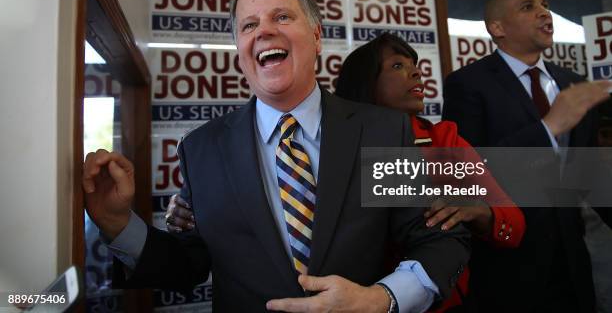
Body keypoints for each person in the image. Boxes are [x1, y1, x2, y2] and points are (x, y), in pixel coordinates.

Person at [83, 0, 470, 312]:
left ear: (317, 37)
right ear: (240, 52)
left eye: (282, 17)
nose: (264, 31)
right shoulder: (202, 150)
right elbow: (189, 264)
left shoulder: (382, 132)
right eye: (248, 26)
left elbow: (439, 242)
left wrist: (381, 299)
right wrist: (118, 222)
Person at [167, 33, 526, 312]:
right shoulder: (320, 144)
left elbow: (509, 225)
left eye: (415, 64)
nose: (416, 72)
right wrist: (205, 207)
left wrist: (480, 211)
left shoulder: (441, 138)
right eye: (397, 66)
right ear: (364, 82)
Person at [442, 0, 612, 313]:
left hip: (573, 261)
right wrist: (548, 129)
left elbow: (587, 173)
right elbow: (469, 171)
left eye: (545, 4)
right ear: (497, 28)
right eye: (527, 6)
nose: (544, 12)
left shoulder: (573, 83)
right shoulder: (469, 84)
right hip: (508, 266)